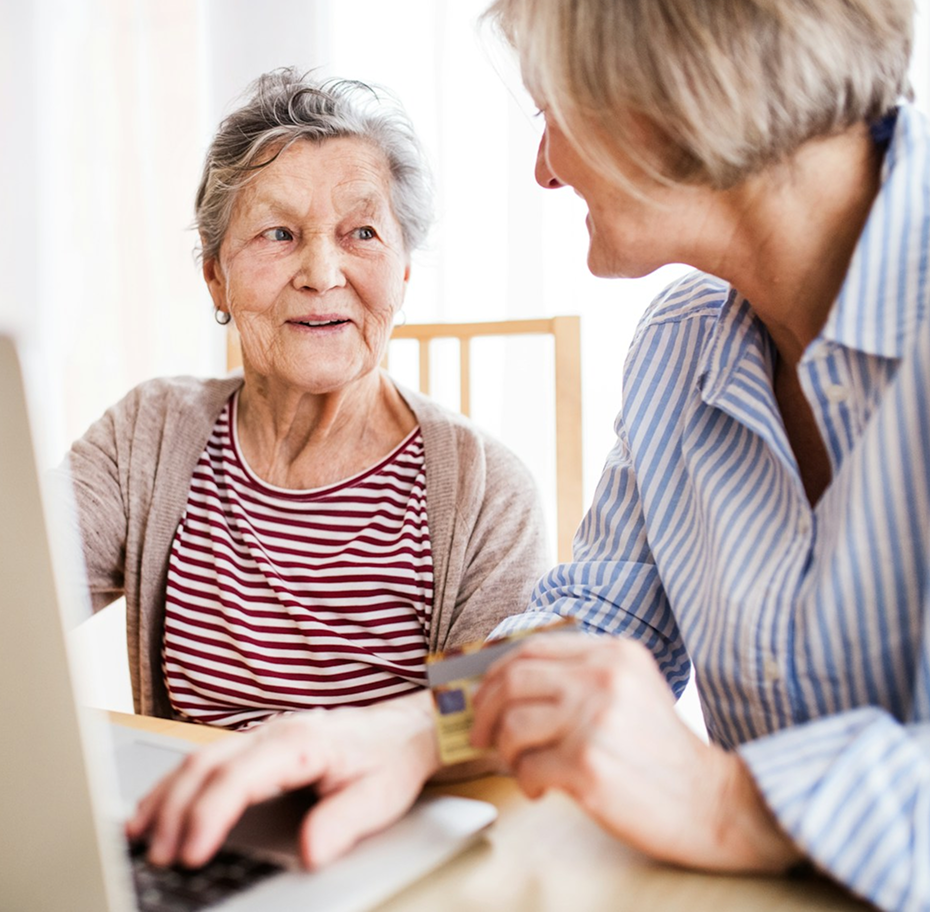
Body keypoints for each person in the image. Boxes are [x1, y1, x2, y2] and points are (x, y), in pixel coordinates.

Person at [127, 2, 930, 909]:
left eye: (552, 110)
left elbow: (717, 794)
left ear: (673, 94)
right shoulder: (684, 345)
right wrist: (403, 732)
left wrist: (732, 803)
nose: (545, 168)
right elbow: (593, 623)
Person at [61, 68, 548, 731]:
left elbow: (492, 729)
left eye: (363, 233)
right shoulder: (148, 433)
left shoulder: (490, 492)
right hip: (197, 796)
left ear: (404, 271)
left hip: (386, 800)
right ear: (215, 276)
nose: (321, 274)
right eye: (279, 234)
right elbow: (3, 586)